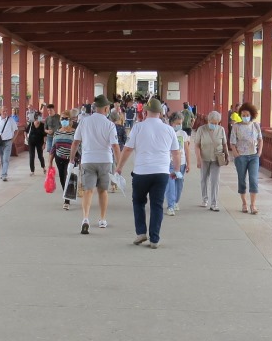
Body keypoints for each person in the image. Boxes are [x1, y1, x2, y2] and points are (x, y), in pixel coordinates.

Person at [115, 97, 180, 249]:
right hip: (162, 172)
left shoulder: (138, 127)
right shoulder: (169, 130)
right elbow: (176, 153)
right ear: (161, 113)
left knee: (138, 202)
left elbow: (128, 149)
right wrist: (176, 171)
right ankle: (154, 239)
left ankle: (141, 232)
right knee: (157, 205)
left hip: (141, 172)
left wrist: (119, 167)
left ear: (145, 112)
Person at [69, 95, 121, 234]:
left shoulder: (84, 122)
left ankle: (85, 218)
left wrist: (71, 159)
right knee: (103, 191)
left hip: (88, 160)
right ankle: (102, 219)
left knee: (88, 190)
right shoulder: (109, 124)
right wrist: (119, 165)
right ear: (106, 108)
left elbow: (75, 142)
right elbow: (115, 146)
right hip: (105, 160)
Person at [229, 102, 264, 214]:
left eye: (247, 115)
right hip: (241, 157)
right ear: (240, 115)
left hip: (253, 156)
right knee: (242, 180)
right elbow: (232, 141)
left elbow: (260, 139)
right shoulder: (236, 126)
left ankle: (253, 205)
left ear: (251, 115)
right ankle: (244, 203)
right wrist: (236, 154)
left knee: (253, 179)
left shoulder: (256, 125)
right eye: (243, 115)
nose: (245, 117)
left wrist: (259, 152)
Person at [193, 110, 228, 211]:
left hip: (216, 158)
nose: (214, 125)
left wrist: (226, 155)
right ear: (208, 121)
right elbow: (197, 145)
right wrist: (198, 159)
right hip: (204, 158)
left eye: (216, 123)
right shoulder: (201, 129)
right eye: (212, 123)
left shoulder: (221, 130)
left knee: (215, 181)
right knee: (204, 179)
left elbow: (224, 144)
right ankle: (205, 199)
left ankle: (214, 203)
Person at [165, 112, 191, 216]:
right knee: (170, 185)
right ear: (172, 122)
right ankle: (170, 206)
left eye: (180, 123)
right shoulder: (167, 132)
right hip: (170, 163)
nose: (179, 125)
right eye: (177, 123)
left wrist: (188, 163)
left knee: (179, 185)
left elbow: (187, 149)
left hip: (182, 163)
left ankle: (176, 202)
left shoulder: (183, 134)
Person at [51, 113, 76, 210]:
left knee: (68, 177)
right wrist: (50, 162)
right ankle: (66, 194)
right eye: (62, 118)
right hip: (59, 157)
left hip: (71, 158)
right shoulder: (57, 132)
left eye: (66, 118)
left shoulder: (74, 132)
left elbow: (79, 146)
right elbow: (53, 147)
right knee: (62, 178)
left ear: (70, 120)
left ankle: (66, 200)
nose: (64, 120)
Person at [0, 105, 17, 181]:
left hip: (8, 141)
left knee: (6, 159)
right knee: (1, 158)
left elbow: (16, 130)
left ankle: (4, 174)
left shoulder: (11, 120)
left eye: (6, 111)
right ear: (0, 111)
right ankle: (3, 172)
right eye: (3, 111)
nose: (5, 112)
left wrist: (12, 140)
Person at [27, 112, 47, 176]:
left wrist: (44, 143)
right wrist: (26, 137)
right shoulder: (31, 124)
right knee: (31, 156)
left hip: (40, 142)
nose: (41, 118)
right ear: (36, 117)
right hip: (31, 142)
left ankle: (43, 167)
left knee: (40, 156)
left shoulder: (42, 125)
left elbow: (45, 135)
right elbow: (25, 131)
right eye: (40, 116)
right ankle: (32, 171)